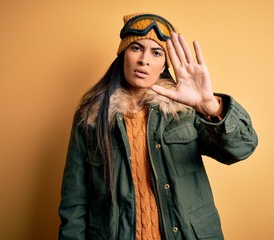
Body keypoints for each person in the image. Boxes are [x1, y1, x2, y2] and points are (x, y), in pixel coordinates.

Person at [58, 12, 258, 240]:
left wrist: (210, 106)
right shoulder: (91, 117)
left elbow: (242, 148)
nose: (144, 60)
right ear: (123, 53)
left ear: (165, 63)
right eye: (136, 48)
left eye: (156, 52)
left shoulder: (184, 110)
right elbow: (74, 201)